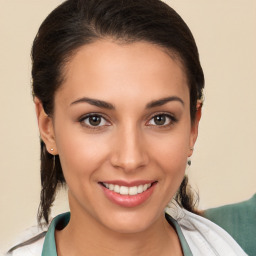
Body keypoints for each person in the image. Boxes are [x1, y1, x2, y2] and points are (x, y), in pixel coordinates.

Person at [7, 0, 247, 255]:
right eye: (95, 119)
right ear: (48, 127)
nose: (130, 159)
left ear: (192, 127)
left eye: (160, 119)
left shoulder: (243, 238)